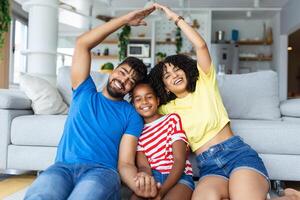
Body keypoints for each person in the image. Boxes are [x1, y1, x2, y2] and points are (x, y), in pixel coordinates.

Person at [149, 3, 300, 200]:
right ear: (165, 87)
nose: (174, 74)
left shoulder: (204, 82)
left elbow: (201, 45)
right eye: (167, 75)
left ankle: (290, 196)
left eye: (176, 69)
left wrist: (175, 18)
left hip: (237, 154)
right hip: (209, 166)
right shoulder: (166, 108)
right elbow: (142, 103)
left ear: (186, 70)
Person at [24, 6, 160, 200]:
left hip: (102, 172)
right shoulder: (83, 90)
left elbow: (125, 163)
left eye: (131, 80)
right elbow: (82, 44)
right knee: (39, 195)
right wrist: (123, 20)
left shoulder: (131, 115)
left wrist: (138, 183)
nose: (124, 80)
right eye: (123, 72)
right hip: (62, 168)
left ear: (131, 89)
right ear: (113, 70)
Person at [130, 81, 194, 200]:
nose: (144, 102)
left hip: (179, 177)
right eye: (138, 99)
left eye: (149, 97)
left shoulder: (172, 120)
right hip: (154, 178)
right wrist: (149, 186)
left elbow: (179, 160)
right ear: (133, 105)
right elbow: (144, 167)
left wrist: (161, 191)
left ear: (158, 100)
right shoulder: (137, 131)